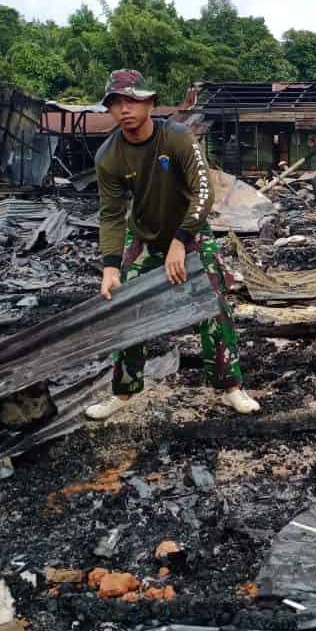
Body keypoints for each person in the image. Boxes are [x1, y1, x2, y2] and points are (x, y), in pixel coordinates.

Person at [88, 69, 260, 420]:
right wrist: (109, 266)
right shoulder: (109, 157)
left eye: (133, 100)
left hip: (191, 231)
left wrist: (181, 242)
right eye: (116, 102)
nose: (125, 109)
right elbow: (111, 215)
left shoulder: (178, 138)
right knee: (125, 306)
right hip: (146, 237)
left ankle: (231, 387)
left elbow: (204, 192)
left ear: (149, 102)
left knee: (213, 303)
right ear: (109, 109)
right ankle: (123, 391)